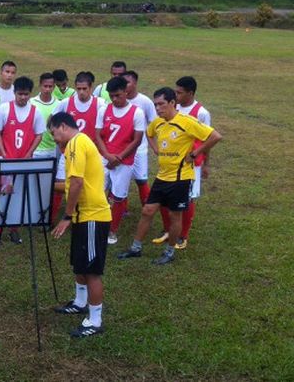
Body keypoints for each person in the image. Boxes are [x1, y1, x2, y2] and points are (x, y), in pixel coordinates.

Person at [117, 87, 222, 265]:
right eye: (155, 105)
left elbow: (215, 136)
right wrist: (155, 148)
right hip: (162, 177)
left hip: (181, 179)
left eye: (161, 104)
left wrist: (196, 153)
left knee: (175, 216)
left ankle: (169, 251)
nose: (158, 108)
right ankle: (135, 248)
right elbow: (149, 133)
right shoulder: (158, 122)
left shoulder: (187, 121)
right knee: (147, 211)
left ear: (173, 103)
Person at [48, 112, 112, 338]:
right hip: (82, 216)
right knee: (80, 264)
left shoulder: (76, 143)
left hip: (92, 216)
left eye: (54, 134)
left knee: (92, 270)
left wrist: (67, 216)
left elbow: (76, 183)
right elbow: (68, 183)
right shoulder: (78, 142)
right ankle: (79, 302)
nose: (55, 140)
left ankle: (95, 320)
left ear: (63, 127)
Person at [153, 76, 212, 249]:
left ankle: (182, 235)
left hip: (190, 164)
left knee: (188, 198)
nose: (176, 95)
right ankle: (169, 231)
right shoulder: (173, 107)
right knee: (166, 198)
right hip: (171, 162)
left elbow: (208, 139)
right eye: (175, 91)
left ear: (191, 93)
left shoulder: (201, 112)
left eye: (180, 92)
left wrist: (203, 161)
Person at [0, 76, 45, 247]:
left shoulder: (35, 111)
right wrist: (4, 153)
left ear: (30, 94)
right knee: (4, 195)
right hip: (7, 162)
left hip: (24, 162)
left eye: (26, 94)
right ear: (14, 93)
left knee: (19, 196)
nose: (23, 97)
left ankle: (14, 230)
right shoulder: (4, 109)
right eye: (20, 94)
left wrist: (29, 153)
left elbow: (39, 134)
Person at [94, 76, 145, 245]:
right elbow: (98, 135)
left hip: (124, 162)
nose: (114, 99)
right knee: (98, 192)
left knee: (118, 197)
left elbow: (137, 140)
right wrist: (107, 155)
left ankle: (112, 231)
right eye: (112, 96)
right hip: (105, 158)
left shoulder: (136, 112)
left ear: (126, 92)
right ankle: (97, 224)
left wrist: (119, 157)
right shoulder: (104, 110)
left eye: (118, 95)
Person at [53, 71, 105, 184]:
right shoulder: (66, 103)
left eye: (84, 88)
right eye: (78, 88)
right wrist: (60, 143)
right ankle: (54, 202)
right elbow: (53, 123)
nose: (81, 92)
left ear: (91, 88)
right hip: (68, 150)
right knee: (60, 181)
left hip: (90, 152)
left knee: (88, 183)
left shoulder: (100, 104)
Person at [122, 70, 157, 212]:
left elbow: (154, 124)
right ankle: (122, 209)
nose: (125, 85)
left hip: (139, 149)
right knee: (120, 180)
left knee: (141, 180)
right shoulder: (118, 100)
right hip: (122, 149)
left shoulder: (145, 102)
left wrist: (153, 145)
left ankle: (147, 208)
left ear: (135, 83)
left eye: (128, 82)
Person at [31, 72, 64, 221]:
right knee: (33, 181)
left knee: (47, 183)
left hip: (52, 150)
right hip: (35, 149)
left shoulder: (59, 104)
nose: (48, 89)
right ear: (40, 85)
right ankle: (32, 209)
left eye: (51, 86)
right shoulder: (32, 103)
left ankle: (44, 212)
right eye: (45, 86)